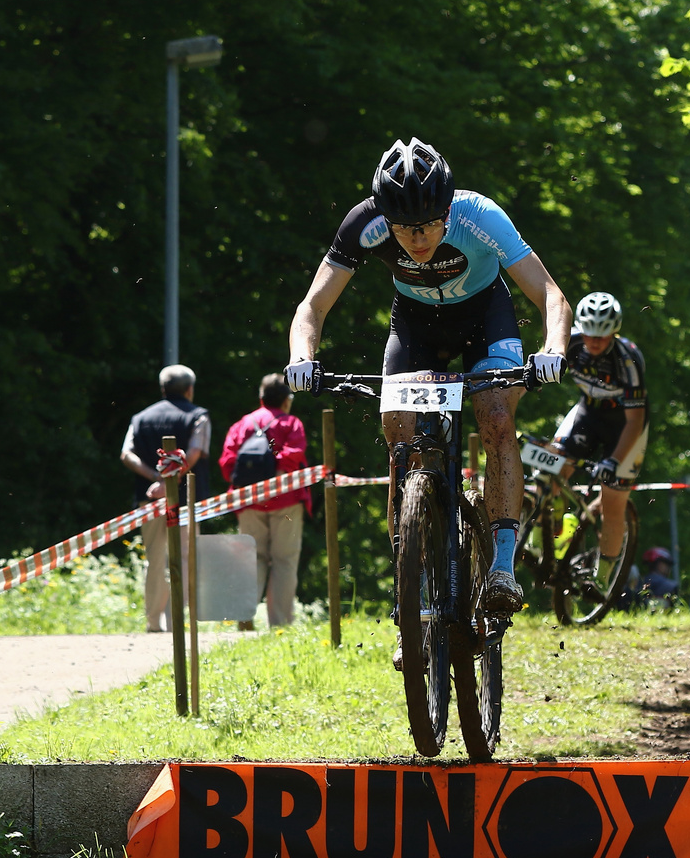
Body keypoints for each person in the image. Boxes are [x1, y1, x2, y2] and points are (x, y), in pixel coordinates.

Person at [285, 138, 570, 614]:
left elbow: (550, 294)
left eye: (428, 226)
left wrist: (553, 348)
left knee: (497, 417)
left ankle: (502, 567)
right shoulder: (365, 223)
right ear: (386, 218)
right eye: (404, 229)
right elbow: (312, 306)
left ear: (446, 210)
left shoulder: (479, 216)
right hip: (416, 326)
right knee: (398, 432)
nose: (417, 240)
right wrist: (301, 356)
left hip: (485, 318)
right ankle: (410, 583)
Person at [550, 292, 648, 590]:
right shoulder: (573, 343)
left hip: (625, 426)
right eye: (590, 333)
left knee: (612, 502)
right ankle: (555, 533)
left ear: (613, 332)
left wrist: (613, 460)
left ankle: (603, 578)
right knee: (551, 469)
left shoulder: (627, 358)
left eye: (602, 337)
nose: (594, 342)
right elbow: (542, 370)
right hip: (588, 413)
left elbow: (635, 421)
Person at [120, 365, 211, 632]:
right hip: (184, 500)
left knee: (154, 558)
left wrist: (155, 479)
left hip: (149, 501)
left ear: (162, 389)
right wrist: (169, 480)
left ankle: (153, 621)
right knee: (184, 556)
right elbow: (194, 453)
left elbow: (126, 454)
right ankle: (176, 621)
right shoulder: (198, 416)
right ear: (190, 389)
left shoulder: (140, 418)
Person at [218, 373, 312, 629]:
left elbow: (228, 463)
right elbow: (293, 456)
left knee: (252, 558)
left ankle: (244, 619)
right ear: (286, 400)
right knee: (284, 560)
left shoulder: (243, 425)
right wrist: (275, 483)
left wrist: (250, 488)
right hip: (286, 500)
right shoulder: (291, 424)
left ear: (261, 398)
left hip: (248, 501)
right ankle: (280, 625)